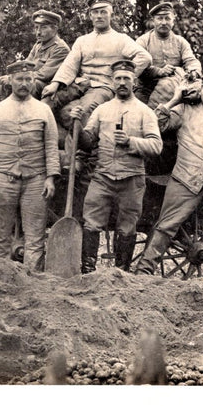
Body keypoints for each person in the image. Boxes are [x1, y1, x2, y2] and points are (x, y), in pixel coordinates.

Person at [134, 75, 203, 292]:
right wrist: (175, 99)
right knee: (166, 225)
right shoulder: (185, 112)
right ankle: (143, 274)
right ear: (200, 91)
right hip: (185, 180)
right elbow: (155, 124)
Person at [69, 59, 163, 273]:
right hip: (103, 177)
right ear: (112, 82)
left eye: (126, 79)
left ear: (133, 82)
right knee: (91, 222)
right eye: (118, 78)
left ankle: (121, 273)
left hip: (132, 178)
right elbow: (88, 141)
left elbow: (156, 145)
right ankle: (88, 272)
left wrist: (131, 141)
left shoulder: (144, 112)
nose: (122, 82)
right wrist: (77, 122)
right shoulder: (102, 110)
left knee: (127, 227)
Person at [0, 60, 60, 271]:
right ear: (10, 81)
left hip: (36, 182)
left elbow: (51, 146)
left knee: (35, 237)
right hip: (4, 180)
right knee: (0, 236)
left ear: (34, 81)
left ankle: (33, 283)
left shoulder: (43, 110)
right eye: (19, 79)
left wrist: (50, 178)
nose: (24, 83)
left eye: (28, 79)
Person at [41, 0, 152, 133]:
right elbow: (70, 65)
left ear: (111, 14)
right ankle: (48, 139)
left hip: (103, 86)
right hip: (80, 83)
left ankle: (84, 149)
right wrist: (55, 84)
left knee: (83, 111)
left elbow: (144, 57)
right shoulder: (82, 40)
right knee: (47, 100)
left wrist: (122, 78)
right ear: (90, 16)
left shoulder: (121, 39)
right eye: (95, 12)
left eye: (103, 12)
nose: (99, 16)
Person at [134, 1, 202, 108]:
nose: (164, 22)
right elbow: (136, 67)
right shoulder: (143, 41)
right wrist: (158, 71)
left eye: (167, 18)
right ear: (153, 21)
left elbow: (191, 60)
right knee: (137, 114)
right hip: (146, 89)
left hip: (173, 88)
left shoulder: (180, 42)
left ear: (173, 21)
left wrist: (194, 71)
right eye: (160, 18)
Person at [0, 9, 70, 95]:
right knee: (5, 83)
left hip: (50, 87)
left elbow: (44, 75)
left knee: (29, 85)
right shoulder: (38, 45)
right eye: (36, 27)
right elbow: (26, 65)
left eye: (43, 27)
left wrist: (17, 79)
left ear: (54, 29)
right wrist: (12, 77)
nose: (38, 32)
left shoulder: (61, 48)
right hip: (34, 80)